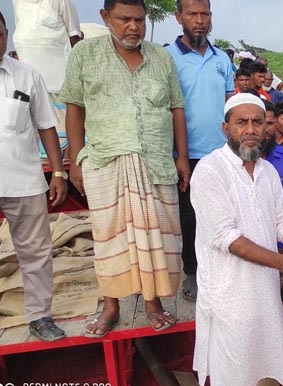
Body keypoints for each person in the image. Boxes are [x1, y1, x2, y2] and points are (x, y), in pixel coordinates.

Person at [61, 0, 189, 336]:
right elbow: (74, 107)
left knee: (158, 238)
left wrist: (182, 157)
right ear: (105, 18)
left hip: (156, 163)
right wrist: (76, 159)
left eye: (139, 20)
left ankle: (153, 303)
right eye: (124, 19)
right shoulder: (84, 55)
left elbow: (176, 108)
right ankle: (112, 305)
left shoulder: (161, 58)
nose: (133, 26)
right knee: (109, 240)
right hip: (106, 162)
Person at [190, 93, 283, 386]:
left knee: (267, 373)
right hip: (228, 298)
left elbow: (282, 224)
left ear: (267, 129)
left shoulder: (268, 171)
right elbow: (227, 237)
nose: (250, 129)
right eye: (241, 122)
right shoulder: (210, 170)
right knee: (234, 376)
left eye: (257, 122)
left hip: (264, 295)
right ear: (226, 129)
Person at [0, 2, 66, 342]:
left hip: (24, 180)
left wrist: (58, 173)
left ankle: (40, 317)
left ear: (7, 35)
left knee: (36, 253)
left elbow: (46, 125)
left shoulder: (26, 75)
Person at [167, 0, 235, 302]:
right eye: (192, 14)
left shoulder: (223, 59)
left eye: (205, 14)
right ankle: (192, 273)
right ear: (178, 16)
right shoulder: (167, 58)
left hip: (222, 154)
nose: (199, 20)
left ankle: (223, 266)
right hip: (187, 154)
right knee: (190, 217)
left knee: (226, 213)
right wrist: (180, 157)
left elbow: (231, 106)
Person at [12, 0, 82, 94]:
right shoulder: (17, 2)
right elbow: (21, 30)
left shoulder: (62, 1)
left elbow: (74, 35)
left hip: (59, 86)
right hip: (30, 87)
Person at [263, 101, 283, 254]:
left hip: (276, 239)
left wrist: (282, 244)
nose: (266, 130)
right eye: (259, 123)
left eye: (269, 123)